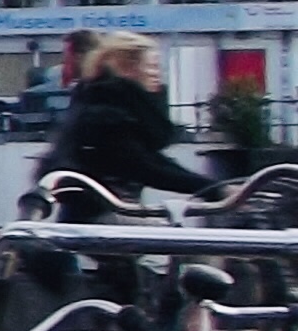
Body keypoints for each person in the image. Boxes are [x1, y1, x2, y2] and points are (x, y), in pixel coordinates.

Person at [39, 29, 218, 217]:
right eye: (152, 67)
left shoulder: (107, 102)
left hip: (102, 216)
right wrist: (213, 189)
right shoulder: (104, 114)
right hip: (100, 220)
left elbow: (148, 160)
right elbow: (144, 166)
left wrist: (211, 187)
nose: (157, 75)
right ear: (127, 68)